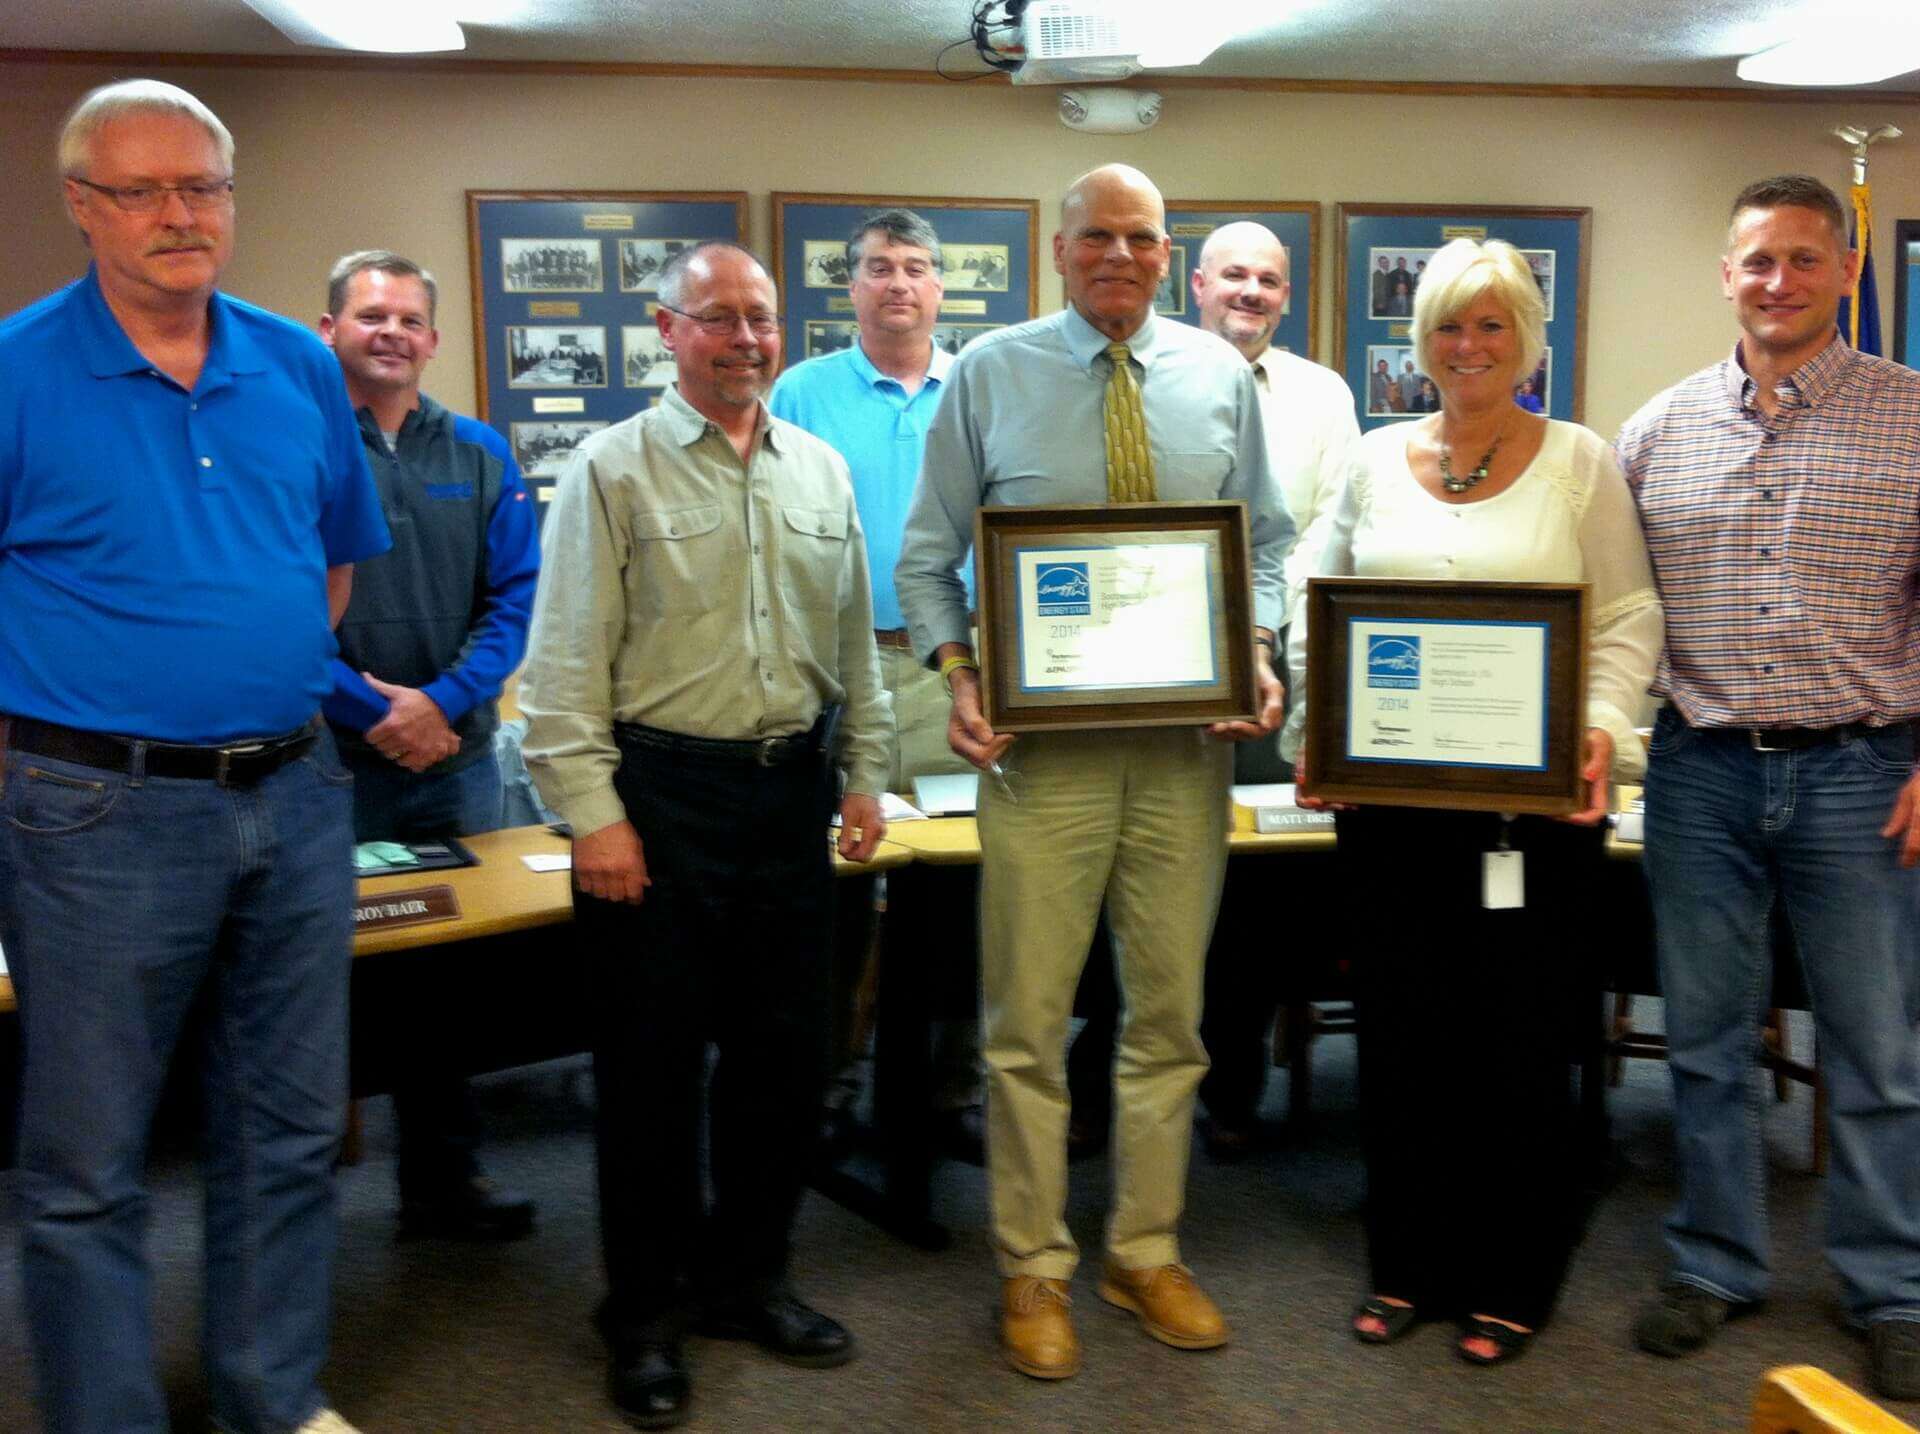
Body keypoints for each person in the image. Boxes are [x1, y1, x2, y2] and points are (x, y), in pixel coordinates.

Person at [0, 80, 388, 1434]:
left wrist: (251, 669)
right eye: (143, 189)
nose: (180, 214)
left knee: (289, 1128)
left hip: (297, 791)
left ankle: (269, 1397)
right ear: (82, 205)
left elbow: (331, 564)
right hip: (94, 809)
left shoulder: (297, 364)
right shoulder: (15, 369)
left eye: (203, 186)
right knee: (89, 1160)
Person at [897, 163, 1292, 1380]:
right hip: (1045, 761)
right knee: (1026, 1023)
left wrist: (1256, 647)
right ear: (1059, 251)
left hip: (1183, 758)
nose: (1119, 255)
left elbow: (1267, 543)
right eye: (1096, 237)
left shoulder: (1218, 377)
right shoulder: (990, 373)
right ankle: (1032, 1263)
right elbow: (926, 558)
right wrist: (962, 675)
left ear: (1167, 254)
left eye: (1141, 237)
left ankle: (1145, 1250)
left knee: (1168, 1021)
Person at [520, 241, 891, 1429]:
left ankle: (748, 1282)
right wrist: (595, 816)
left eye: (761, 318)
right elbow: (565, 661)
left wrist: (866, 773)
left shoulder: (820, 470)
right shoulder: (611, 467)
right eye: (718, 317)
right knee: (651, 1076)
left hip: (789, 797)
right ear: (668, 330)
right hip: (660, 800)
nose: (745, 338)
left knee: (785, 1067)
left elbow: (851, 646)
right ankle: (643, 1312)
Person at [1294, 237, 1661, 1366]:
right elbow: (1316, 599)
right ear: (1422, 342)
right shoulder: (1371, 461)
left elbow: (1626, 619)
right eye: (1449, 325)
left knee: (1519, 1045)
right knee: (1403, 1043)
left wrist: (1599, 730)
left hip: (1529, 822)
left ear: (1527, 341)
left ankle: (1513, 1277)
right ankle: (1408, 1264)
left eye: (1491, 323)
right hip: (1392, 817)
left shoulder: (1580, 462)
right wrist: (1320, 728)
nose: (1469, 345)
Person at [1617, 174, 1920, 1403]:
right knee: (1704, 1039)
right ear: (1726, 275)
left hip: (1864, 771)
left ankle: (1892, 1290)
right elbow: (1620, 612)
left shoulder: (1912, 416)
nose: (1778, 281)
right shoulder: (1657, 430)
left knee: (1877, 1050)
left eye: (1803, 258)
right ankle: (1716, 1262)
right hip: (1700, 773)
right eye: (1757, 260)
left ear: (1845, 270)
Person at [318, 249, 542, 1240]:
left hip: (455, 762)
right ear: (329, 330)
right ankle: (302, 1203)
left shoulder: (480, 453)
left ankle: (443, 1182)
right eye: (372, 315)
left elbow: (515, 602)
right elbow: (283, 611)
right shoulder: (298, 446)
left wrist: (440, 703)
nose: (392, 333)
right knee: (323, 976)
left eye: (410, 319)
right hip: (332, 768)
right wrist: (374, 712)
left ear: (434, 340)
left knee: (451, 979)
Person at [769, 208, 985, 1161]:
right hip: (837, 671)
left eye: (915, 267)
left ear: (940, 285)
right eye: (879, 267)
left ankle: (952, 1091)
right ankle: (823, 1087)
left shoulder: (978, 387)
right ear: (851, 286)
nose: (898, 282)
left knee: (959, 890)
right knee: (833, 894)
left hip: (953, 670)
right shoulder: (802, 392)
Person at [1186, 219, 1361, 1157]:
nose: (1250, 291)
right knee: (1147, 872)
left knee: (1249, 891)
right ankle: (1109, 1079)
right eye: (1234, 275)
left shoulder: (1323, 396)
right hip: (1159, 667)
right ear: (1198, 284)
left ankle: (1231, 1093)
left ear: (1285, 297)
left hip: (1271, 666)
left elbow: (1331, 537)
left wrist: (1269, 648)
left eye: (1269, 279)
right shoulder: (1153, 375)